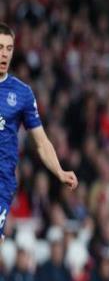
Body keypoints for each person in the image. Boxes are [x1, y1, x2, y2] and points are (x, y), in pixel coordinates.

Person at [0, 23, 78, 242]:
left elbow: (41, 142)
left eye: (9, 48)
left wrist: (59, 171)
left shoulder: (22, 93)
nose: (4, 53)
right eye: (0, 47)